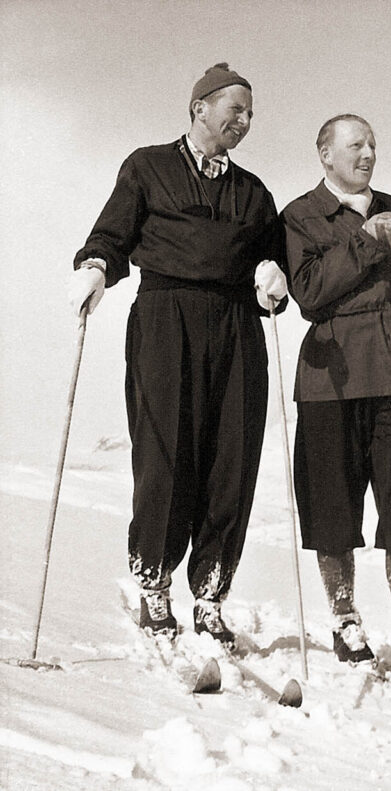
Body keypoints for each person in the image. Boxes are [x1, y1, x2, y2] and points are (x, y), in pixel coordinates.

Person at [68, 64, 289, 647]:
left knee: (231, 457)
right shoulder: (148, 166)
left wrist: (273, 278)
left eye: (249, 114)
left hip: (238, 323)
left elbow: (274, 261)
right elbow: (114, 234)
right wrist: (95, 267)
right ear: (198, 107)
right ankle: (154, 583)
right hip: (166, 315)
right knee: (166, 450)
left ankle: (211, 591)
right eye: (234, 109)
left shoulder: (254, 192)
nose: (243, 121)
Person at [281, 114, 391, 673]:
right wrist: (366, 242)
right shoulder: (300, 215)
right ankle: (345, 621)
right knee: (332, 502)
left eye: (372, 143)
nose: (368, 152)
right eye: (355, 145)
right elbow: (309, 293)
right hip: (332, 377)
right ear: (325, 154)